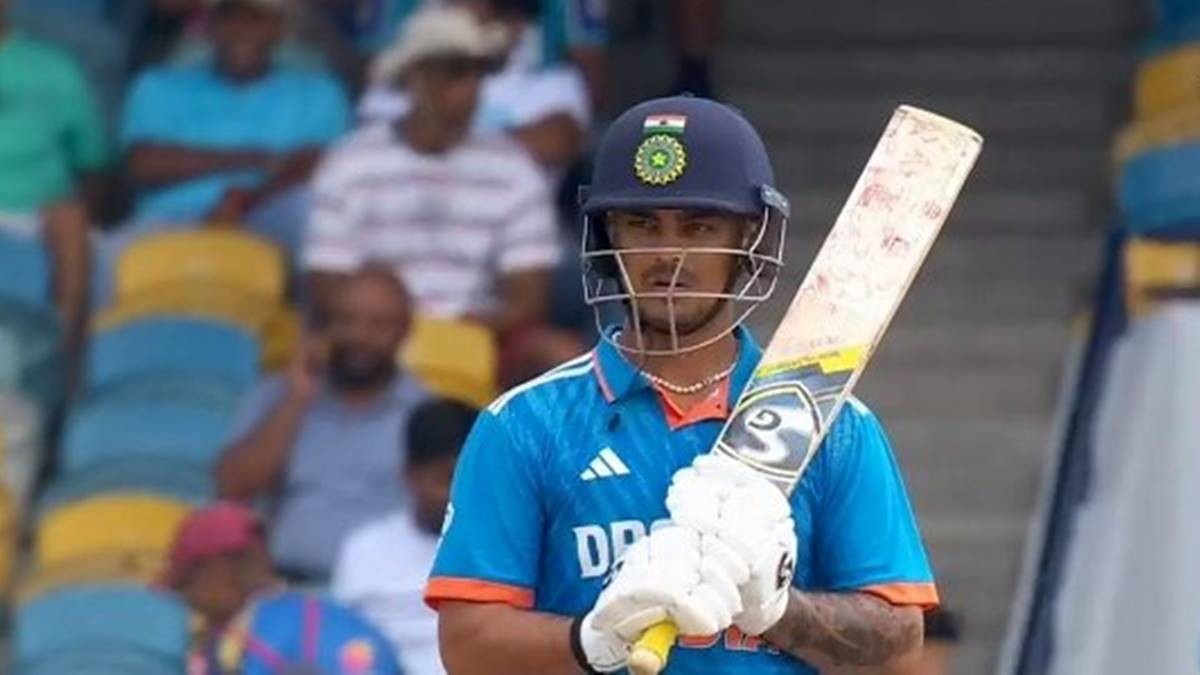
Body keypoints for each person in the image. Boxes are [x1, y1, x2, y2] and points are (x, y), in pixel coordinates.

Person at [427, 95, 936, 674]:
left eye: (699, 226)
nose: (668, 253)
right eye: (643, 225)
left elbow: (901, 652)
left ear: (750, 237)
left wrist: (775, 609)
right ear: (609, 238)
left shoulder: (833, 425)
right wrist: (591, 640)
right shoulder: (525, 424)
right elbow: (466, 646)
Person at [304, 4, 578, 384]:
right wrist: (387, 324)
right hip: (371, 336)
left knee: (563, 357)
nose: (471, 88)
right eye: (455, 72)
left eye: (477, 73)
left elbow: (529, 294)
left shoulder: (514, 166)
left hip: (478, 335)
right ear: (416, 77)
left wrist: (466, 330)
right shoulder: (351, 161)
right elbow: (327, 281)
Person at [215, 266, 428, 584]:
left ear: (405, 332)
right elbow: (232, 488)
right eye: (345, 321)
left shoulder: (425, 414)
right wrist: (297, 399)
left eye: (378, 325)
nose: (359, 336)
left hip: (382, 591)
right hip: (283, 585)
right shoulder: (277, 396)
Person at [118, 0, 350, 258]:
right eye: (230, 19)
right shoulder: (158, 85)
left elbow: (323, 164)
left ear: (278, 29)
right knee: (111, 256)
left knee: (311, 212)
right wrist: (254, 160)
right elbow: (143, 165)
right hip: (171, 220)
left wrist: (247, 201)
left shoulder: (318, 91)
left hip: (270, 216)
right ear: (210, 26)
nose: (242, 32)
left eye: (255, 21)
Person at [163, 502, 403, 675]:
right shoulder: (319, 615)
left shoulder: (256, 639)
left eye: (187, 583)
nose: (187, 600)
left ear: (221, 569)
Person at [358, 0, 591, 176]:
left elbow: (559, 142)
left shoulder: (549, 78)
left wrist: (446, 141)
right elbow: (373, 143)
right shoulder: (411, 75)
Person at [333, 397, 478, 674]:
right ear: (410, 476)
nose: (459, 494)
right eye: (446, 479)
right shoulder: (364, 550)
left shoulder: (508, 550)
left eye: (471, 479)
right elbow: (341, 645)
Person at [0, 0, 109, 359]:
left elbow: (92, 162)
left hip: (38, 215)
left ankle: (57, 356)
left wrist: (85, 211)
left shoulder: (55, 69)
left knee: (71, 219)